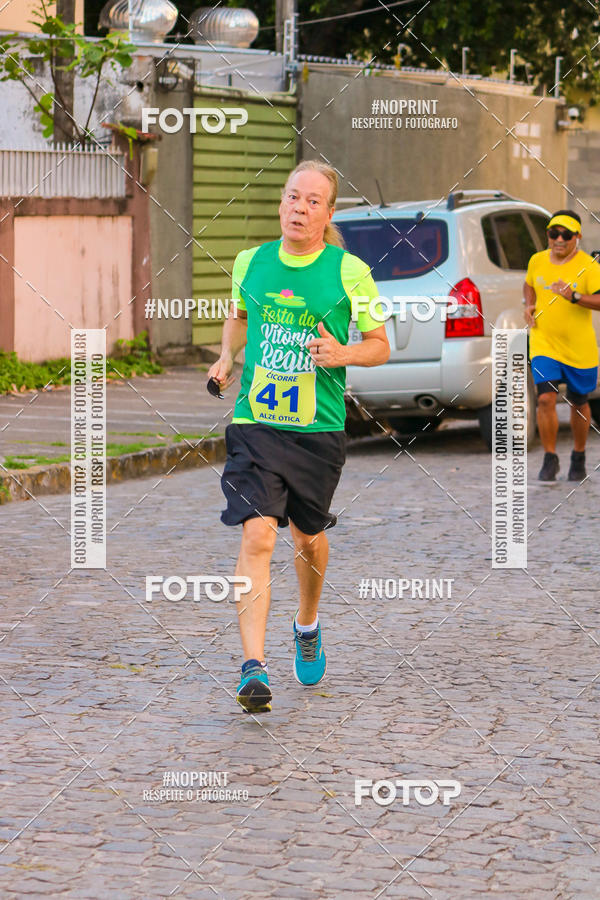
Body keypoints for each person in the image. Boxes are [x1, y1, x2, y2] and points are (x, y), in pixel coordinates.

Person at [207, 160, 390, 713]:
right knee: (257, 536)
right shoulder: (251, 261)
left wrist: (342, 352)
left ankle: (307, 623)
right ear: (281, 204)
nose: (300, 208)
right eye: (292, 197)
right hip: (256, 424)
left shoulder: (349, 271)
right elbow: (239, 318)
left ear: (328, 213)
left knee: (307, 539)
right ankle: (252, 668)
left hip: (318, 430)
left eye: (313, 201)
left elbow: (381, 345)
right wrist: (225, 358)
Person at [523, 210, 600, 482]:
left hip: (579, 348)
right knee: (545, 398)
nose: (558, 239)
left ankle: (578, 456)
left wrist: (574, 296)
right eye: (553, 233)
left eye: (565, 234)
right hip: (544, 342)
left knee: (579, 403)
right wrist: (528, 304)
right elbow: (529, 284)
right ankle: (549, 457)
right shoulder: (537, 260)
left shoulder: (589, 266)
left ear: (577, 237)